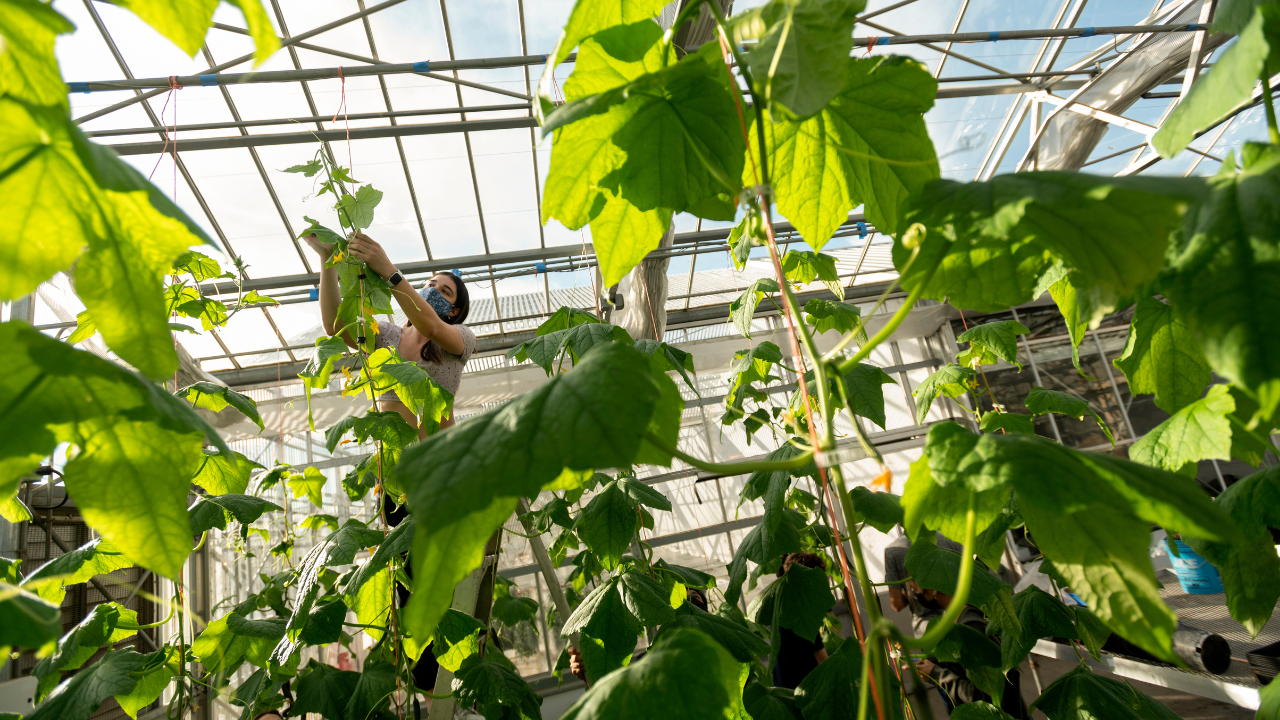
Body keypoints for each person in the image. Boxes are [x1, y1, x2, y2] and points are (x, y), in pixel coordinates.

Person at [305, 232, 475, 437]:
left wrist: (389, 272)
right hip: (393, 460)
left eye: (445, 291)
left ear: (454, 311)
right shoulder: (386, 333)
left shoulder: (463, 336)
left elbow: (432, 328)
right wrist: (328, 258)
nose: (433, 290)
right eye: (430, 284)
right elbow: (335, 327)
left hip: (441, 456)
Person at [909, 581, 1031, 718]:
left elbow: (985, 698)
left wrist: (937, 674)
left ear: (933, 588)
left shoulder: (970, 627)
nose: (917, 595)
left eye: (915, 588)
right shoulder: (965, 618)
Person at [566, 588, 710, 683]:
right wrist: (591, 671)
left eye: (694, 596)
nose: (686, 601)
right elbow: (620, 693)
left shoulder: (726, 645)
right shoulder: (646, 661)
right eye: (677, 598)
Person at [771, 552, 830, 689]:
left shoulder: (784, 608)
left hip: (786, 691)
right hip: (804, 694)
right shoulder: (802, 616)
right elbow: (825, 663)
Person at [883, 532, 965, 631]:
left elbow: (897, 604)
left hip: (925, 626)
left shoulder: (893, 551)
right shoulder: (951, 538)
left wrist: (910, 595)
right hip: (961, 615)